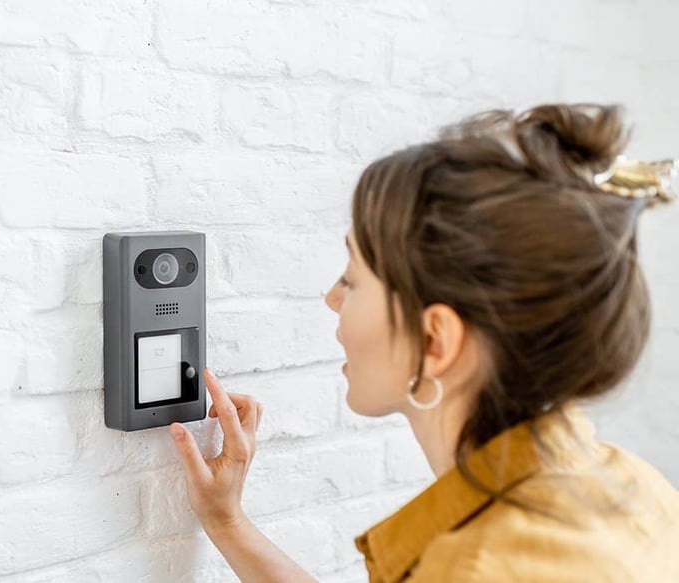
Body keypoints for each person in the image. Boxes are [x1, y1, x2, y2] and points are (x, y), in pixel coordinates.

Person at [168, 103, 679, 582]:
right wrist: (228, 521)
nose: (332, 298)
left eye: (352, 278)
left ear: (435, 340)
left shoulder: (476, 567)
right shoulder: (634, 487)